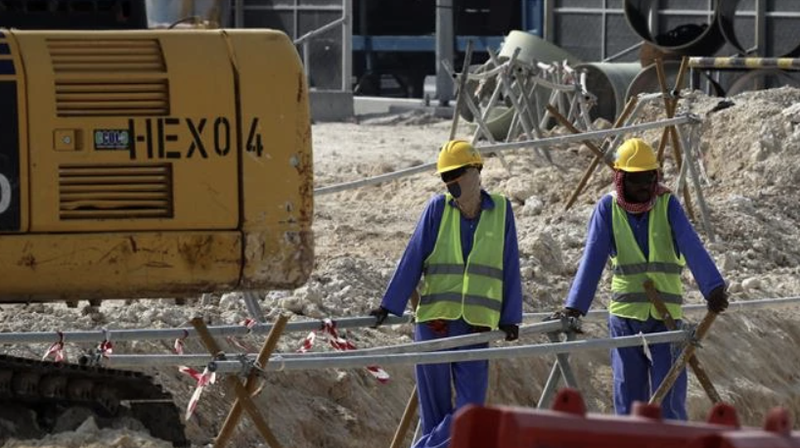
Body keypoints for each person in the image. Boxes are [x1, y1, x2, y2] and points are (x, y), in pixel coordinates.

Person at [553, 138, 728, 420]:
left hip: (666, 318)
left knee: (668, 397)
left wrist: (713, 287)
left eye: (650, 178)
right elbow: (593, 258)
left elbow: (691, 245)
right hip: (625, 316)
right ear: (621, 179)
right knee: (628, 395)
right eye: (636, 180)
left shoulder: (667, 204)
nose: (645, 186)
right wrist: (575, 307)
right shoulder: (607, 209)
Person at [370, 139, 523, 448]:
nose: (451, 181)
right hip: (434, 325)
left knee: (471, 413)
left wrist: (511, 317)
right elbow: (412, 257)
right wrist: (389, 305)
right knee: (435, 414)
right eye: (445, 176)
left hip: (477, 326)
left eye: (457, 173)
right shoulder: (437, 209)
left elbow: (510, 264)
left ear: (476, 170)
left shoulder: (502, 210)